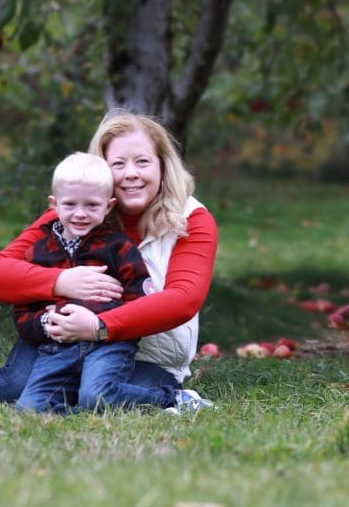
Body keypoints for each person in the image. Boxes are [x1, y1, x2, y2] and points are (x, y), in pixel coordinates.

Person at [0, 111, 217, 409]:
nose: (130, 174)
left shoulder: (191, 219)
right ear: (101, 169)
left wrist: (99, 327)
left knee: (99, 393)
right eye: (118, 164)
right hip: (64, 338)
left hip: (143, 355)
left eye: (143, 162)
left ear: (162, 165)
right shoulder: (79, 210)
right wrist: (61, 282)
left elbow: (182, 301)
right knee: (15, 386)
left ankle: (169, 396)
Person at [13, 151, 205, 413]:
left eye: (92, 206)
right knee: (28, 409)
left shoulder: (119, 248)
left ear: (108, 206)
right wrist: (46, 323)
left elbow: (140, 302)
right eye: (70, 205)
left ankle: (172, 399)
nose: (80, 214)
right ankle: (77, 414)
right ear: (54, 205)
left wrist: (98, 320)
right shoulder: (37, 252)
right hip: (58, 346)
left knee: (96, 395)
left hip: (108, 346)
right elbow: (23, 311)